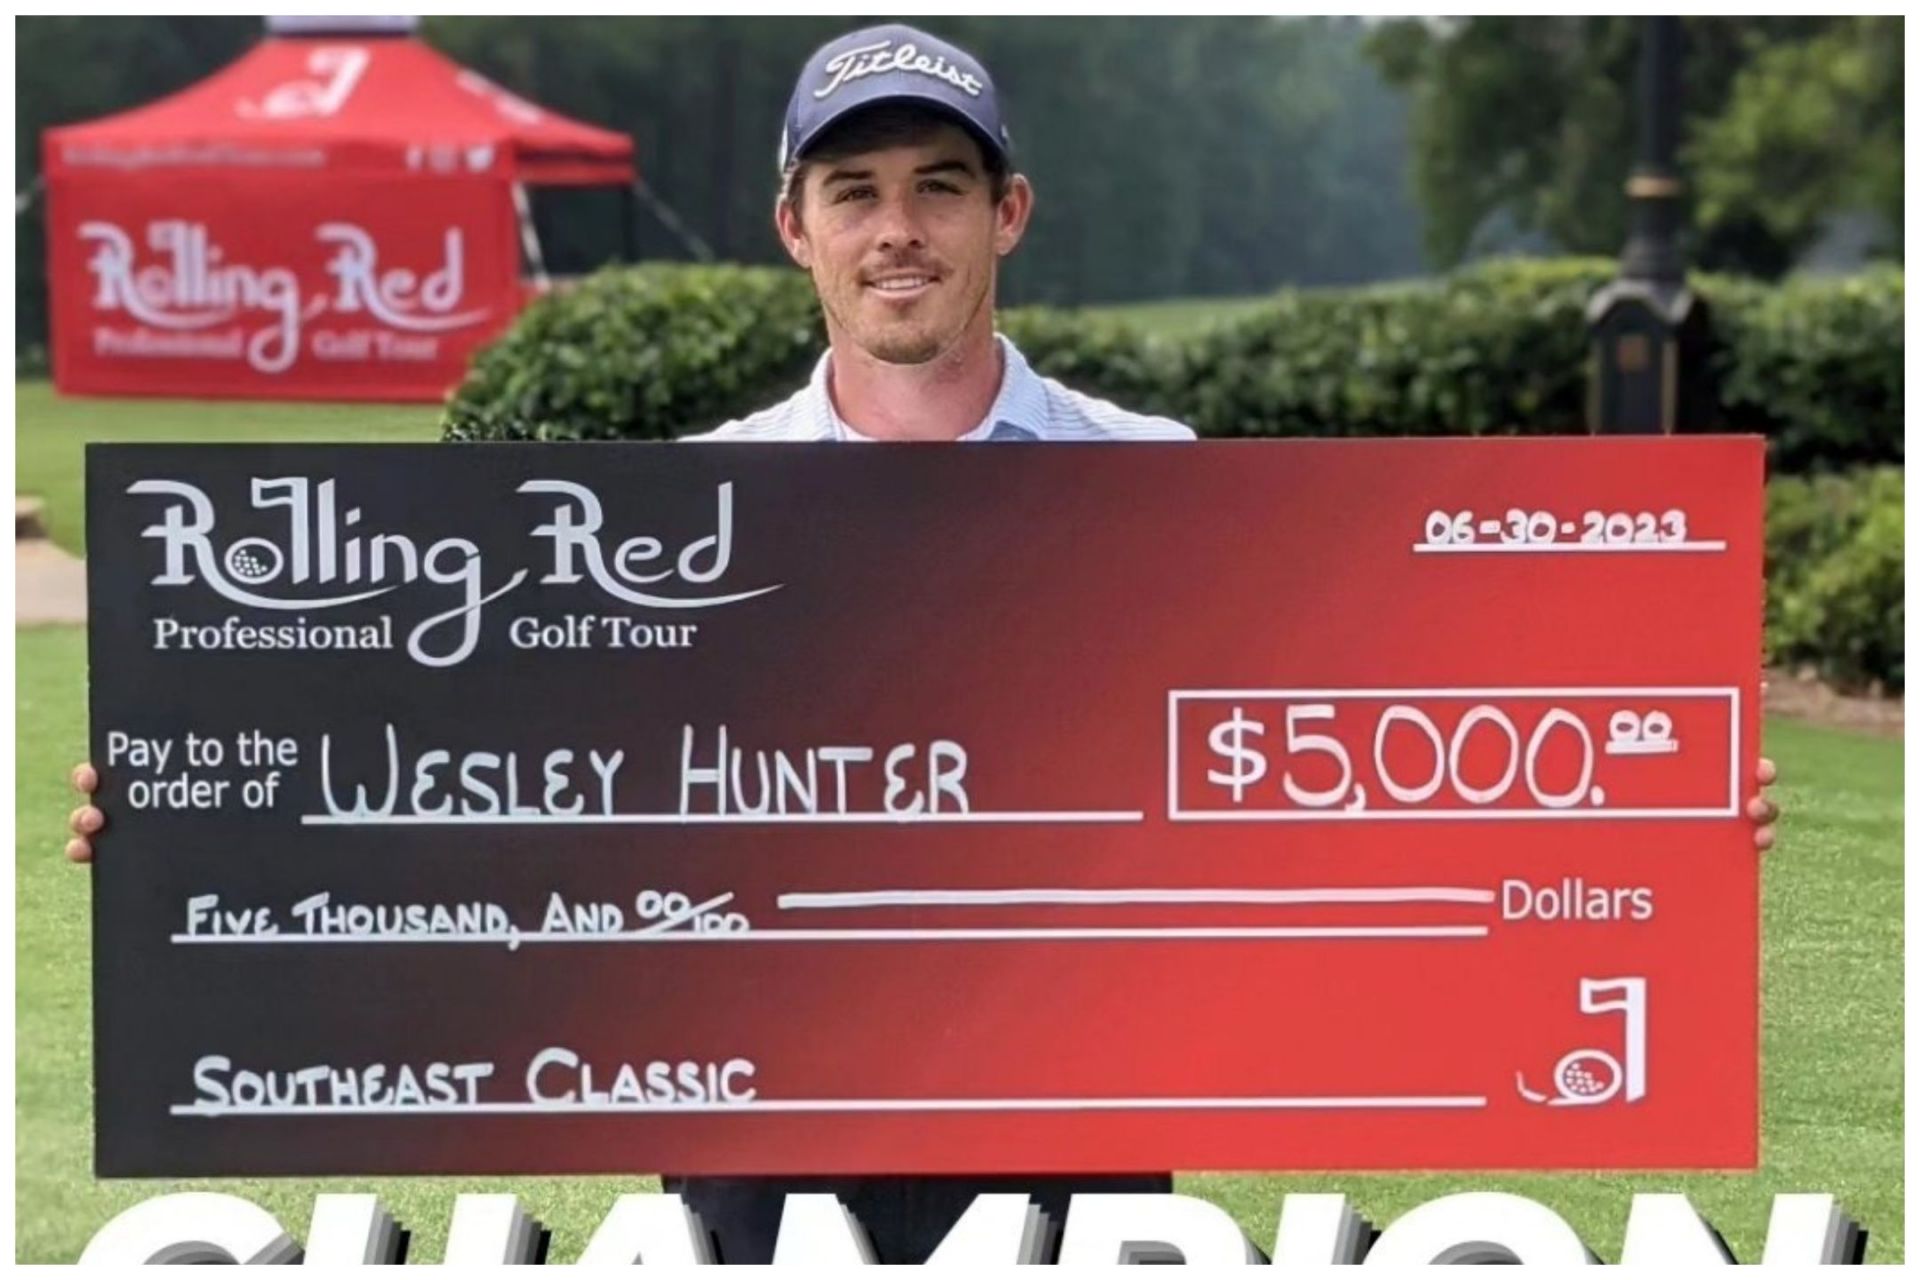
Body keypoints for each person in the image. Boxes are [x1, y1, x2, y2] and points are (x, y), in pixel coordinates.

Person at [65, 21, 1783, 1266]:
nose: (901, 228)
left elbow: (1346, 788)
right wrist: (200, 834)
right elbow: (507, 806)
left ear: (1007, 216)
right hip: (754, 1137)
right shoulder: (683, 513)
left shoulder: (1157, 489)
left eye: (940, 187)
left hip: (1071, 1129)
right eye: (858, 188)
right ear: (793, 228)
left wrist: (1644, 813)